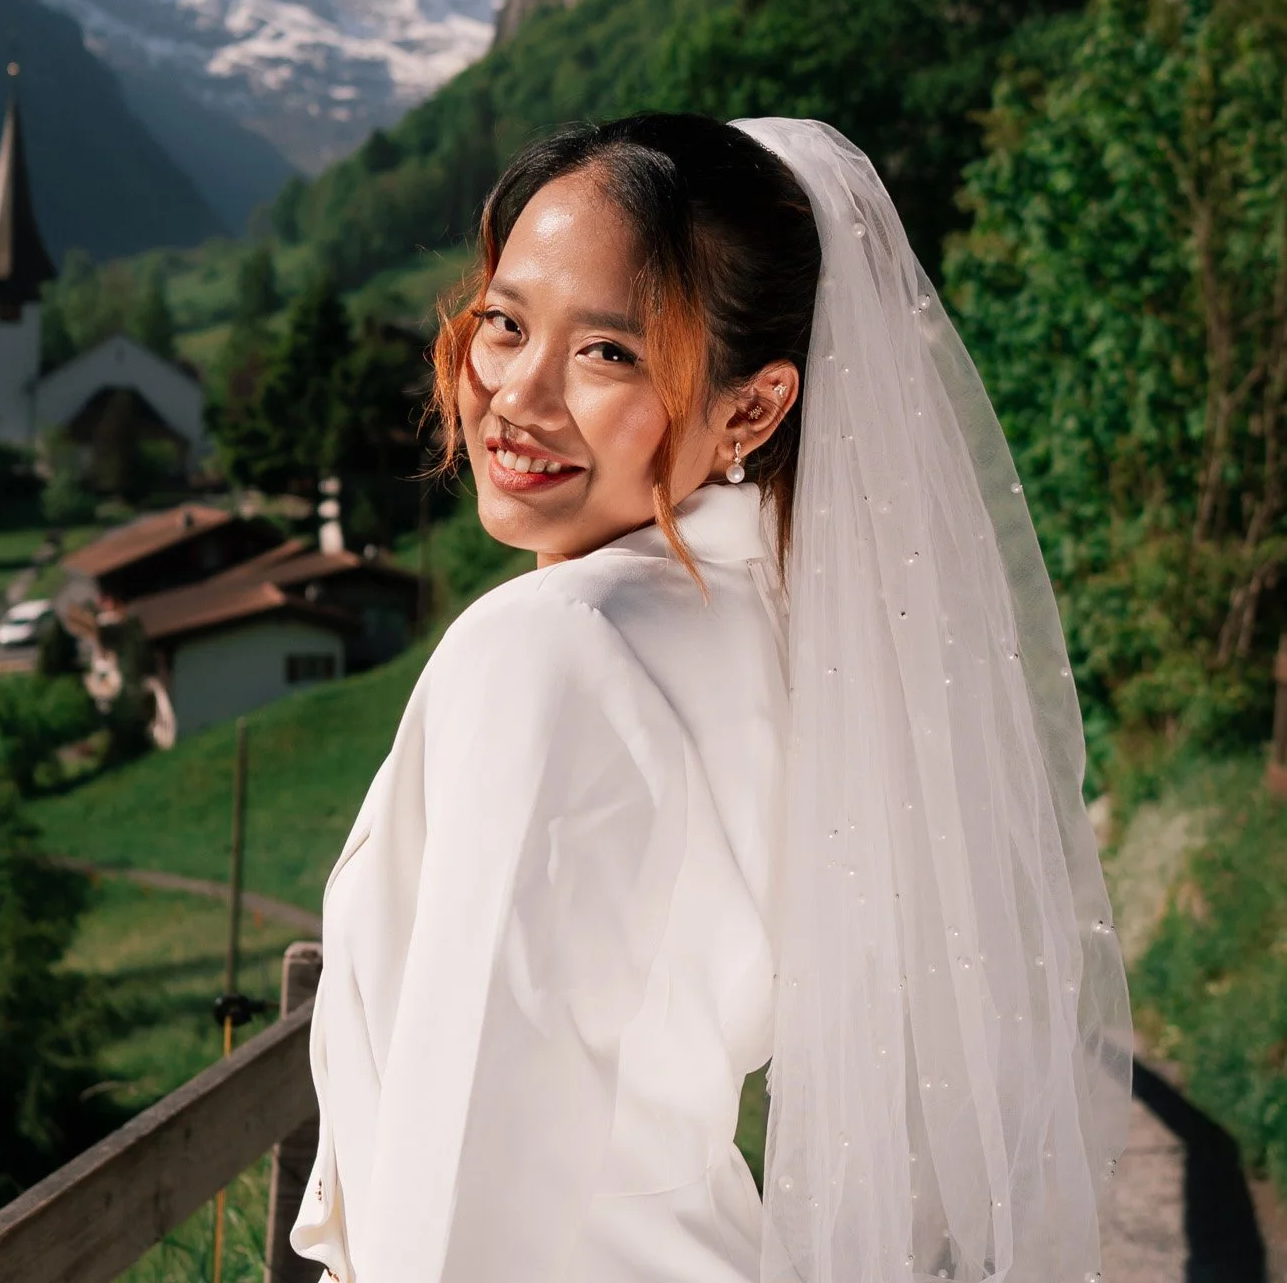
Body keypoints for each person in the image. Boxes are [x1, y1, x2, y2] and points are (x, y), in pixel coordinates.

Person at [290, 114, 1131, 1283]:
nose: (516, 396)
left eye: (609, 353)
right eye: (507, 321)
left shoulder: (548, 650)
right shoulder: (788, 632)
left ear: (754, 407)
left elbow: (466, 1165)